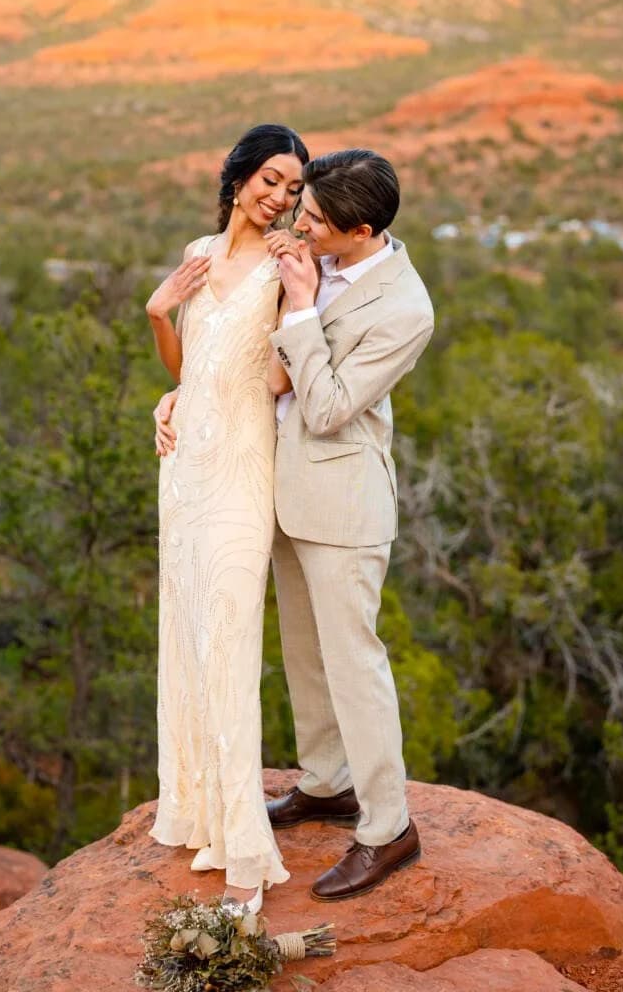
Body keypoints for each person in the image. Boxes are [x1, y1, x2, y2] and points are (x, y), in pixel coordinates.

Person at [145, 122, 309, 914]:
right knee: (188, 638)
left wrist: (301, 299)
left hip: (244, 473)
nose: (280, 195)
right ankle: (200, 812)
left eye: (293, 187)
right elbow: (191, 365)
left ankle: (246, 849)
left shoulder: (287, 267)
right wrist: (157, 322)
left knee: (232, 642)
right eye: (271, 178)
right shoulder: (195, 252)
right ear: (239, 177)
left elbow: (277, 380)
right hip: (185, 472)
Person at [262, 148, 434, 901]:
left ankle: (387, 827)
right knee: (304, 652)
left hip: (343, 503)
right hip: (283, 490)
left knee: (355, 664)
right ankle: (326, 782)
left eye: (315, 223)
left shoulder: (405, 310)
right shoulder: (317, 250)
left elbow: (330, 409)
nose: (299, 226)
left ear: (360, 230)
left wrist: (298, 304)